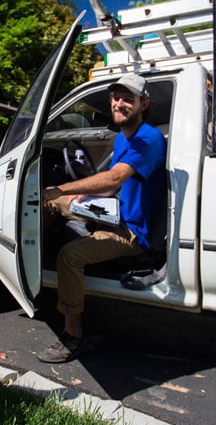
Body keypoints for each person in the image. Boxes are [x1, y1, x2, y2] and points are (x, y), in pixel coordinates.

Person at [37, 73, 167, 363]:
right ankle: (28, 265)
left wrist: (60, 187)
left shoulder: (150, 138)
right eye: (116, 97)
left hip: (132, 232)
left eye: (127, 99)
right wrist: (84, 197)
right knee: (54, 204)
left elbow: (115, 175)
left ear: (143, 104)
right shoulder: (123, 137)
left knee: (69, 256)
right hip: (114, 212)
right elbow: (111, 186)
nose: (119, 103)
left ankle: (73, 336)